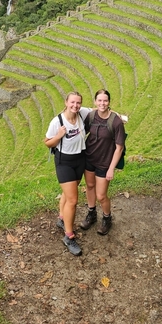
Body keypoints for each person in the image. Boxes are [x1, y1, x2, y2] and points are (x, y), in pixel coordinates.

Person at [44, 91, 90, 256]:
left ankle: (62, 219)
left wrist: (118, 116)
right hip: (64, 162)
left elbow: (99, 110)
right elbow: (47, 143)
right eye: (72, 103)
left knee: (67, 193)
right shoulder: (57, 121)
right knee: (73, 199)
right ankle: (69, 237)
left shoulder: (82, 113)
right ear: (66, 102)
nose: (75, 106)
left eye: (78, 103)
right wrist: (59, 135)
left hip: (80, 159)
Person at [81, 89, 126, 236]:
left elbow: (119, 148)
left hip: (104, 162)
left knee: (101, 195)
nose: (102, 103)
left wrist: (111, 168)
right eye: (99, 100)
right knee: (89, 186)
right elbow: (82, 130)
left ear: (109, 102)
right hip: (89, 158)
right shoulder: (91, 116)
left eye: (105, 100)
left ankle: (107, 217)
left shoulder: (116, 121)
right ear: (95, 102)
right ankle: (91, 213)